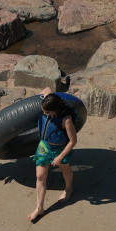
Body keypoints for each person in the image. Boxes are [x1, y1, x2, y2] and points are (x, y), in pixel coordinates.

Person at [29, 90, 77, 222]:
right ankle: (39, 208)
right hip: (44, 147)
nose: (45, 114)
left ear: (56, 110)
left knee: (65, 169)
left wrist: (60, 157)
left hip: (59, 149)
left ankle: (69, 189)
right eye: (43, 111)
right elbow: (47, 89)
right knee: (40, 176)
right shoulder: (48, 103)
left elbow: (73, 141)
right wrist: (46, 95)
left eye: (48, 112)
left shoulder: (66, 120)